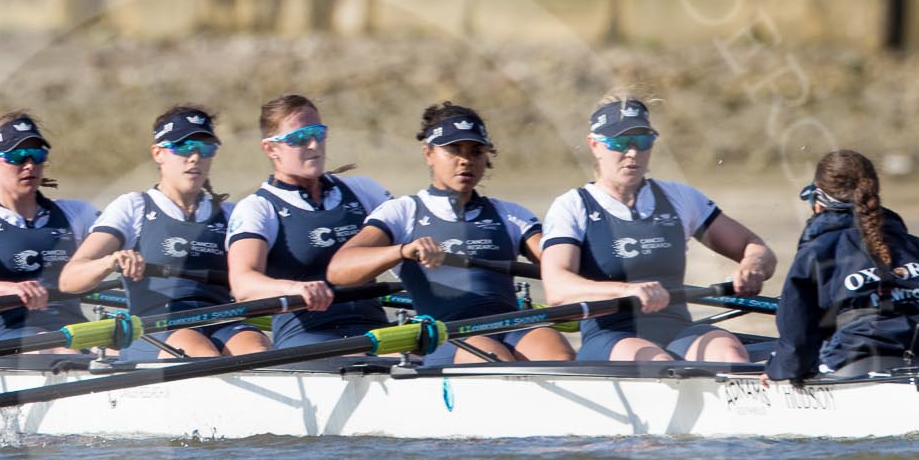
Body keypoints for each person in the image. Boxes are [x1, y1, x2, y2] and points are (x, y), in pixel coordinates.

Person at [328, 101, 573, 363]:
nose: (465, 160)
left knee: (556, 350)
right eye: (454, 150)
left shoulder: (510, 214)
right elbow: (339, 270)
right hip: (447, 334)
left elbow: (560, 267)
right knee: (492, 358)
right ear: (428, 153)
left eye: (476, 151)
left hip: (512, 327)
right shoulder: (403, 212)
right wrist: (403, 251)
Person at [541, 94, 774, 363]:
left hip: (677, 330)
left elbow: (755, 247)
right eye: (620, 142)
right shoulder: (572, 206)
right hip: (612, 336)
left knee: (729, 351)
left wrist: (753, 266)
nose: (633, 152)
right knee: (657, 363)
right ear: (595, 145)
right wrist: (626, 290)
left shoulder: (679, 197)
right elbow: (557, 290)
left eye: (643, 141)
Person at [57, 105, 269, 358]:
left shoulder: (231, 213)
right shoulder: (133, 207)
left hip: (221, 319)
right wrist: (110, 262)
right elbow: (69, 280)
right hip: (154, 324)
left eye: (205, 148)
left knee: (257, 350)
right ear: (158, 153)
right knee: (200, 353)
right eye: (183, 147)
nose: (195, 157)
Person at [227, 94, 392, 349]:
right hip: (309, 339)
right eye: (300, 138)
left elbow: (413, 238)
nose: (314, 145)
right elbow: (243, 285)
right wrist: (294, 288)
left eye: (318, 133)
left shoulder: (362, 190)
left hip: (375, 332)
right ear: (271, 148)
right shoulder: (258, 208)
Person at [764, 149, 919, 383]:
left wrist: (778, 371)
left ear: (818, 202)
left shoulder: (816, 253)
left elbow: (797, 337)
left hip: (854, 358)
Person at [0, 111, 101, 341]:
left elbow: (133, 241)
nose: (30, 165)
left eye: (37, 155)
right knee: (58, 347)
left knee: (127, 353)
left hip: (76, 334)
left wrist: (116, 260)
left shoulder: (76, 213)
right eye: (18, 156)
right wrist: (11, 289)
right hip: (16, 338)